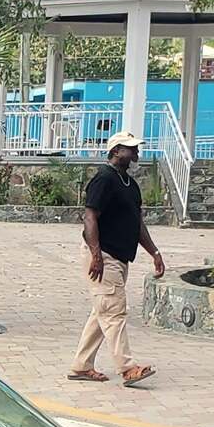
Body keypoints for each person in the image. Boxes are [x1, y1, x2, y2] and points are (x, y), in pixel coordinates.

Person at [70, 128, 165, 387]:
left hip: (120, 257)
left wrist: (154, 252)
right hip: (104, 255)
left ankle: (81, 365)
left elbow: (137, 224)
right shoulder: (104, 179)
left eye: (136, 147)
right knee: (114, 312)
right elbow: (90, 217)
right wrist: (95, 254)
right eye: (130, 148)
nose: (136, 151)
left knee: (103, 311)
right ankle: (127, 367)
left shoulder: (130, 185)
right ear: (115, 152)